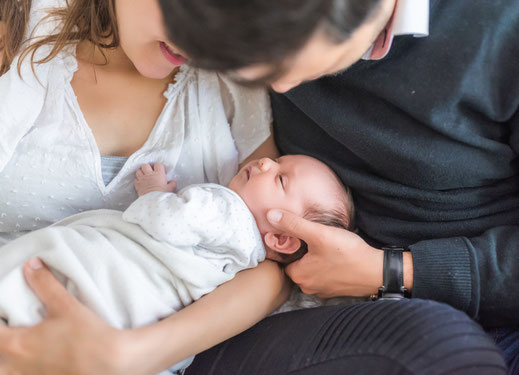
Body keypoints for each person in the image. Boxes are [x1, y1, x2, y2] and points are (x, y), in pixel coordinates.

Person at [0, 1, 511, 375]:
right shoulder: (240, 45)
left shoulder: (235, 70)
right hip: (28, 293)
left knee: (441, 349)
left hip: (196, 326)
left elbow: (265, 263)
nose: (280, 83)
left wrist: (129, 356)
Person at [155, 0, 519, 373]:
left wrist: (388, 271)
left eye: (293, 55)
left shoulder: (500, 29)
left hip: (489, 303)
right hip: (335, 325)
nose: (280, 86)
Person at [0, 0, 291, 374]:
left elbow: (269, 272)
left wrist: (129, 354)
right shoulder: (18, 30)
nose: (203, 40)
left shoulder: (228, 82)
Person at [0, 155, 352, 373]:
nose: (265, 162)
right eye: (279, 160)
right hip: (136, 319)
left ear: (282, 238)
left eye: (280, 178)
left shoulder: (226, 208)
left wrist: (156, 194)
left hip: (106, 272)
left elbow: (169, 222)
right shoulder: (249, 263)